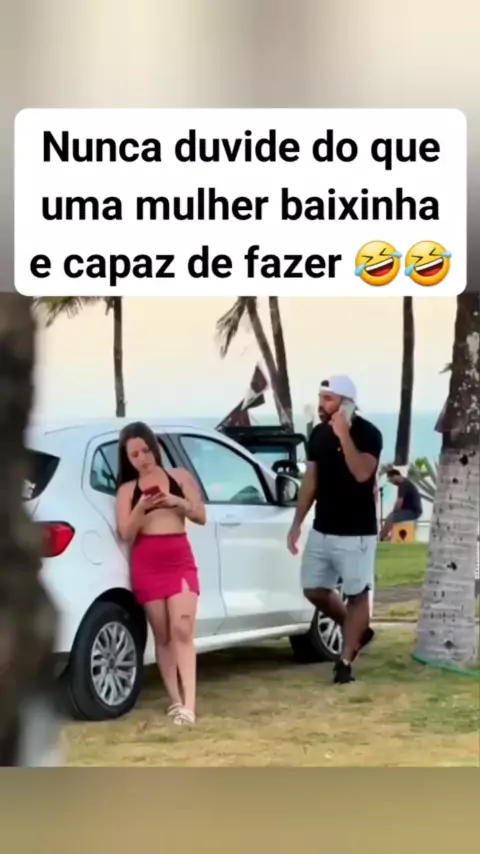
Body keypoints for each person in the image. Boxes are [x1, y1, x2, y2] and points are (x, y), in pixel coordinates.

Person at [287, 376, 383, 684]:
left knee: (358, 596)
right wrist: (296, 523)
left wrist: (344, 435)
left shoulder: (369, 434)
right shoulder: (317, 434)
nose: (321, 404)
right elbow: (311, 481)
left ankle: (345, 663)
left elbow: (361, 473)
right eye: (320, 397)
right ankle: (357, 628)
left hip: (357, 534)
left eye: (328, 399)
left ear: (346, 404)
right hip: (323, 529)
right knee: (313, 588)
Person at [116, 421, 206, 725]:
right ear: (127, 459)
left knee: (183, 628)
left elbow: (201, 515)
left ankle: (189, 706)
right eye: (134, 455)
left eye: (146, 450)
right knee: (163, 633)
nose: (142, 458)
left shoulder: (179, 476)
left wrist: (176, 501)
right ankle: (176, 701)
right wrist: (141, 507)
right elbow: (126, 532)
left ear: (155, 448)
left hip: (179, 557)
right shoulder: (127, 490)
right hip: (147, 562)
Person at [379, 468, 422, 541]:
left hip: (413, 512)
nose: (392, 483)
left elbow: (399, 502)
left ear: (396, 476)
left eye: (391, 480)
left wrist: (394, 512)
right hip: (410, 510)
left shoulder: (404, 485)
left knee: (391, 518)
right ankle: (384, 536)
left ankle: (381, 537)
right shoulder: (404, 483)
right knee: (390, 517)